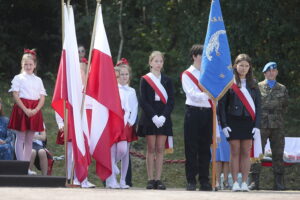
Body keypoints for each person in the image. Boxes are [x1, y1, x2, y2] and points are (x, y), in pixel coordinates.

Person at [219, 54, 261, 192]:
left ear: (250, 68)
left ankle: (244, 182)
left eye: (246, 66)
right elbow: (222, 106)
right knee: (235, 151)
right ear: (235, 66)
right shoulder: (229, 83)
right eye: (241, 65)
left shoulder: (254, 84)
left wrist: (257, 126)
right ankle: (235, 182)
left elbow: (259, 107)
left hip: (248, 121)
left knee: (245, 152)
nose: (243, 68)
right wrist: (224, 124)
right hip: (233, 120)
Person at [55, 57, 95, 188]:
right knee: (71, 151)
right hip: (72, 124)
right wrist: (61, 123)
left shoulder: (91, 90)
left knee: (84, 151)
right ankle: (69, 178)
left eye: (88, 72)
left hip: (86, 125)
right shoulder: (71, 89)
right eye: (83, 72)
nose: (86, 75)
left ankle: (82, 178)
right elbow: (61, 106)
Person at [137, 51, 174, 190]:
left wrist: (163, 116)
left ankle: (158, 179)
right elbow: (143, 100)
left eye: (161, 61)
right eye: (156, 61)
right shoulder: (145, 79)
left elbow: (171, 101)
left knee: (160, 149)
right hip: (149, 116)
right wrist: (153, 116)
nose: (159, 64)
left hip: (163, 116)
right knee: (151, 148)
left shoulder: (167, 80)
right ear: (150, 62)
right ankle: (150, 179)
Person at [249, 62, 288, 190]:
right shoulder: (257, 87)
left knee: (278, 153)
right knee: (257, 153)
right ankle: (254, 181)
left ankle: (279, 182)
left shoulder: (282, 88)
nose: (271, 73)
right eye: (269, 71)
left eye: (274, 70)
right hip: (261, 124)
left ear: (276, 72)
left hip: (277, 125)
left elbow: (285, 107)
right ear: (264, 73)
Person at [181, 44, 215, 191]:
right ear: (194, 56)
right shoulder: (187, 74)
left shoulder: (208, 73)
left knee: (205, 148)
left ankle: (204, 180)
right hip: (193, 113)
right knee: (191, 148)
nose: (204, 58)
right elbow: (192, 95)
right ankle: (191, 180)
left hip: (207, 113)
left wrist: (206, 96)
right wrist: (207, 95)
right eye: (202, 55)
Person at [8, 49, 46, 175]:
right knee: (20, 138)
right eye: (26, 64)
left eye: (30, 64)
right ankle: (20, 166)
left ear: (34, 65)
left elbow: (42, 97)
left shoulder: (38, 80)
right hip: (22, 109)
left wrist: (35, 110)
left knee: (30, 139)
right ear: (22, 64)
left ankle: (26, 168)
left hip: (34, 109)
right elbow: (15, 94)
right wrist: (25, 109)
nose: (28, 67)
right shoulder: (18, 78)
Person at [106, 58, 138, 189]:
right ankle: (112, 179)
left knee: (124, 152)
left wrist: (131, 120)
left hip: (127, 124)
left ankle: (123, 180)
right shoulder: (113, 89)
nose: (124, 77)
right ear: (117, 76)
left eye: (126, 74)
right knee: (113, 150)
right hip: (115, 122)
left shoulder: (132, 91)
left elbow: (135, 107)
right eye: (121, 75)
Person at [215, 124, 231, 190]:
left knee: (226, 157)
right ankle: (217, 181)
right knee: (217, 157)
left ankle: (225, 181)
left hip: (226, 127)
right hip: (216, 128)